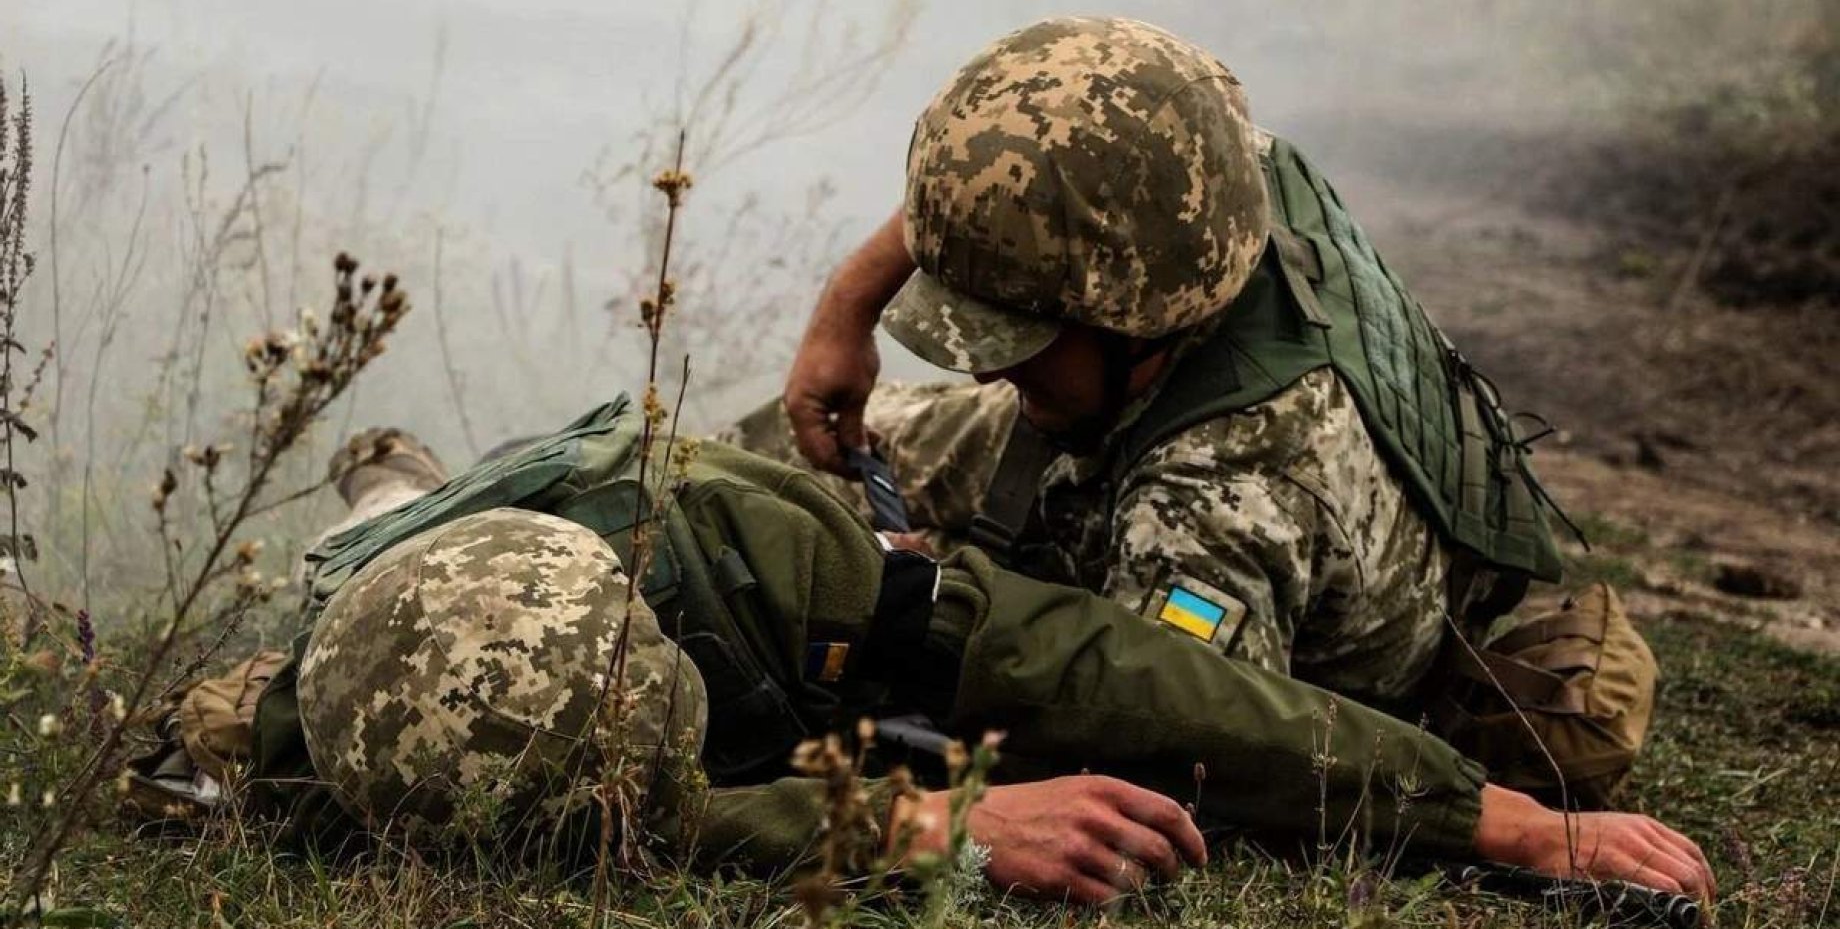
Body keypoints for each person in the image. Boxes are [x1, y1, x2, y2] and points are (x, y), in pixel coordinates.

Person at [727, 12, 1695, 893]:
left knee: (830, 586)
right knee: (770, 464)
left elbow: (1183, 741)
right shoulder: (1200, 177)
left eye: (1019, 342)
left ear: (1130, 313)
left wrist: (928, 627)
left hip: (1252, 567)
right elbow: (1017, 188)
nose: (988, 375)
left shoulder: (1219, 500)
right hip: (1136, 410)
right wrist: (844, 312)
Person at [205, 392, 1706, 904]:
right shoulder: (312, 744)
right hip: (397, 587)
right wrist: (923, 824)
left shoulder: (762, 552)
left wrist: (1494, 815)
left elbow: (1109, 668)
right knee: (372, 521)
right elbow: (637, 823)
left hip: (649, 521)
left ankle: (401, 460)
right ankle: (389, 469)